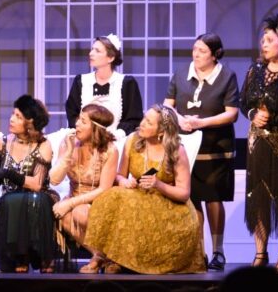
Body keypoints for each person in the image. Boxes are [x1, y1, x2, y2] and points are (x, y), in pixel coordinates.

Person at [84, 104, 206, 274]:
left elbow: (184, 193)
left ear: (161, 131)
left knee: (130, 204)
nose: (142, 124)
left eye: (149, 122)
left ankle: (133, 262)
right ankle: (110, 257)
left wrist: (158, 184)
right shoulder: (133, 141)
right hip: (138, 197)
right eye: (144, 119)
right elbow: (119, 175)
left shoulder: (177, 151)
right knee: (111, 196)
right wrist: (124, 182)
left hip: (170, 206)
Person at [164, 33, 239, 271]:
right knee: (192, 198)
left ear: (215, 55)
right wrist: (180, 119)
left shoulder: (226, 76)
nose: (196, 54)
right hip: (187, 146)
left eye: (202, 51)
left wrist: (201, 123)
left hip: (215, 147)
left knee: (214, 197)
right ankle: (198, 252)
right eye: (195, 49)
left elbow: (232, 113)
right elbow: (167, 105)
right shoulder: (181, 74)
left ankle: (218, 251)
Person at [239, 14, 278, 269]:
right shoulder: (255, 71)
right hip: (258, 143)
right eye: (262, 40)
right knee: (259, 195)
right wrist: (253, 114)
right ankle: (260, 253)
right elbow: (244, 103)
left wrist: (273, 117)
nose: (263, 44)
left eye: (268, 40)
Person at [0, 95, 58, 273]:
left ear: (30, 123)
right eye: (12, 114)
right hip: (11, 199)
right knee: (8, 201)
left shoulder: (43, 145)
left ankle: (41, 256)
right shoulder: (3, 143)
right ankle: (19, 256)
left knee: (33, 199)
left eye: (18, 116)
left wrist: (8, 173)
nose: (11, 119)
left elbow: (37, 184)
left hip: (39, 197)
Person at [49, 103, 119, 273]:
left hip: (100, 201)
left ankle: (104, 258)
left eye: (83, 121)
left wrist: (70, 203)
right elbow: (54, 180)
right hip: (74, 198)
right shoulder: (68, 144)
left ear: (95, 128)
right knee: (61, 214)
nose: (77, 124)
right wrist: (68, 154)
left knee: (80, 212)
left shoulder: (110, 150)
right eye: (78, 119)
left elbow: (104, 189)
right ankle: (101, 256)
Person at [64, 34, 143, 138]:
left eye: (97, 51)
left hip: (117, 140)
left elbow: (133, 118)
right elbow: (72, 113)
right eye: (92, 49)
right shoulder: (81, 81)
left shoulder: (127, 83)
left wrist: (115, 136)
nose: (91, 53)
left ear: (111, 58)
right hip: (84, 139)